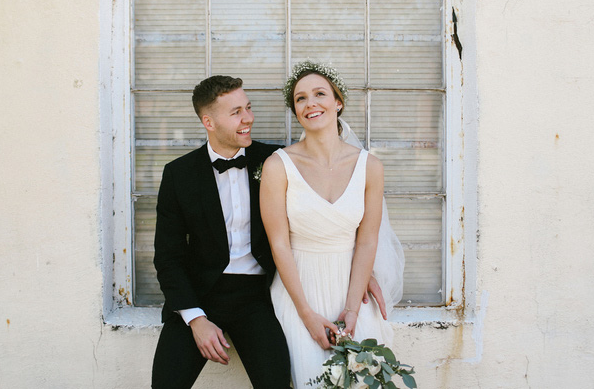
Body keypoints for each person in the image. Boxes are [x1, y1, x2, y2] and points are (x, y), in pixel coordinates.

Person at [260, 60, 404, 388]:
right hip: (298, 291)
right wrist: (306, 315)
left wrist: (352, 310)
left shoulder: (370, 166)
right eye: (300, 98)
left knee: (362, 381)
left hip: (351, 291)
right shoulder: (278, 166)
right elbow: (279, 244)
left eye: (319, 94)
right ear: (295, 110)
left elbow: (367, 241)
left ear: (337, 102)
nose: (310, 103)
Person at [151, 75, 291, 388]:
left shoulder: (275, 160)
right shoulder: (178, 175)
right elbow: (168, 257)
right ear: (208, 122)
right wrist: (196, 319)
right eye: (236, 112)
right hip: (199, 294)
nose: (249, 119)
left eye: (248, 108)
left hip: (258, 297)